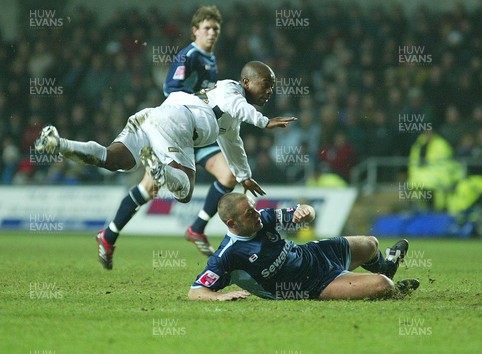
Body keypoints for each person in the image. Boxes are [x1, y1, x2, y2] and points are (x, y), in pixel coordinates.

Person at [35, 61, 296, 270]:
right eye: (266, 85)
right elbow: (237, 106)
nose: (269, 91)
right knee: (184, 191)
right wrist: (264, 122)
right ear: (247, 82)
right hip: (180, 123)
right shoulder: (231, 90)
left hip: (152, 116)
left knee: (113, 159)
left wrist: (244, 175)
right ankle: (162, 172)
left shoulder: (229, 111)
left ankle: (59, 144)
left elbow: (233, 142)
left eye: (272, 87)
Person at [116, 6, 233, 258]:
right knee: (148, 188)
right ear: (195, 31)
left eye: (215, 29)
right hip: (179, 128)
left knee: (228, 175)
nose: (211, 33)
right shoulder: (188, 55)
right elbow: (170, 87)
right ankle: (110, 233)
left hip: (197, 133)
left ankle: (197, 228)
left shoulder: (210, 59)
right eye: (206, 28)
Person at [187, 193, 420, 301]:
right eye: (250, 213)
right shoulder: (227, 256)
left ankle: (386, 266)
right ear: (232, 223)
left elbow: (307, 212)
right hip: (313, 285)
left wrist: (306, 211)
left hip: (315, 253)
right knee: (382, 285)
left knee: (371, 244)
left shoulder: (264, 218)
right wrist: (219, 298)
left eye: (254, 207)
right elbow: (195, 291)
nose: (257, 214)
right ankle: (392, 286)